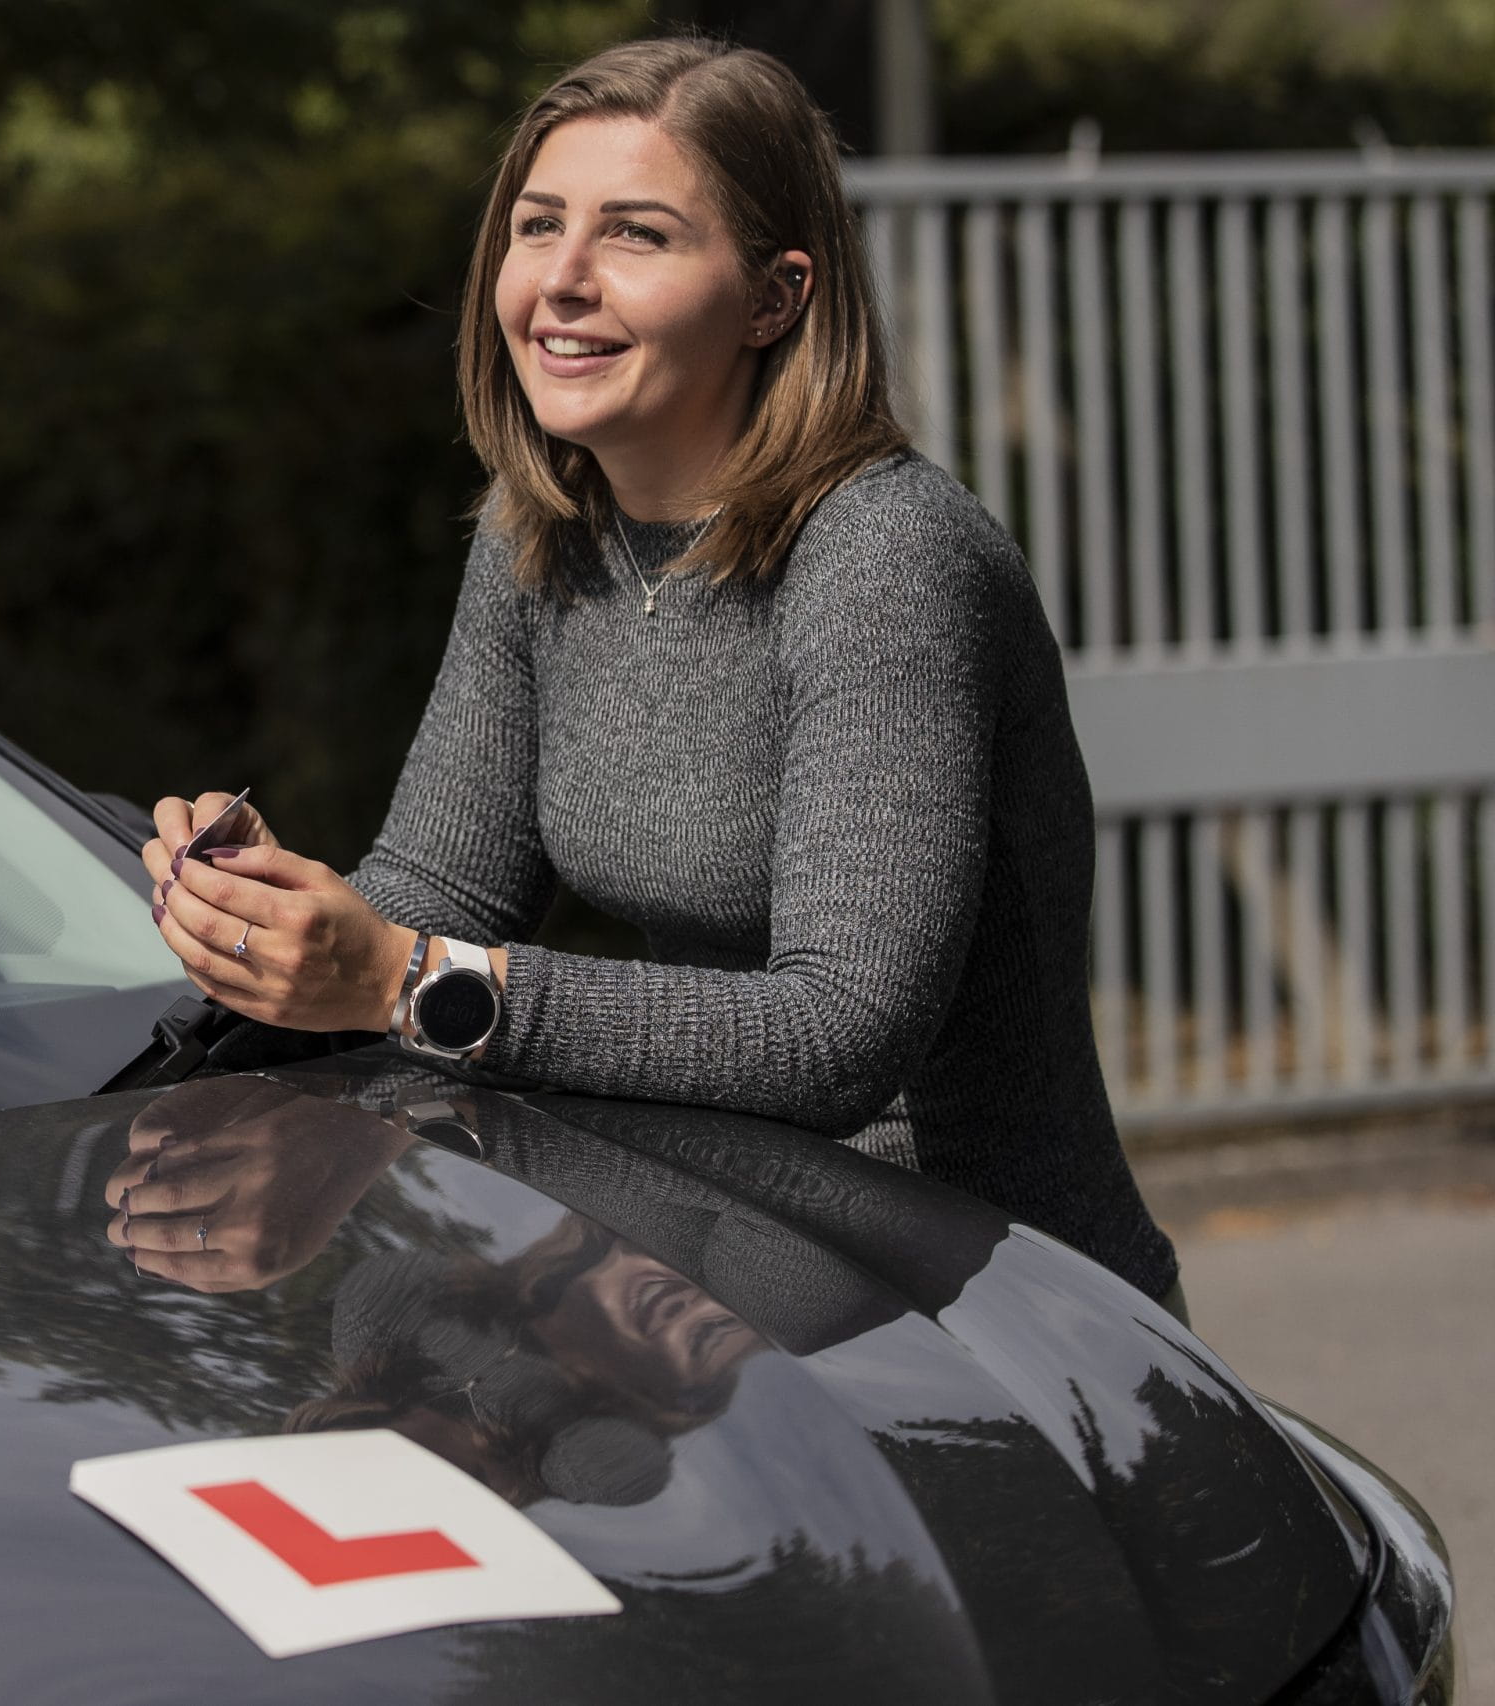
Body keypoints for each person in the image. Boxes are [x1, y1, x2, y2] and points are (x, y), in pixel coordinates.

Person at [141, 35, 1183, 1316]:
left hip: (991, 1310)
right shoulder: (538, 534)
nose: (561, 281)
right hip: (734, 1291)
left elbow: (835, 1036)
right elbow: (440, 892)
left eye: (634, 234)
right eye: (537, 226)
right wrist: (266, 919)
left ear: (773, 299)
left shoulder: (885, 556)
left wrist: (411, 981)